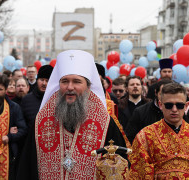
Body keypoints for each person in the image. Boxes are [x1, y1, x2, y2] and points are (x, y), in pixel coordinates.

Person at [35, 50, 127, 179]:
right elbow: (28, 166)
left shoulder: (105, 122)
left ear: (88, 87)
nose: (70, 87)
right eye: (65, 81)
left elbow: (118, 168)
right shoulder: (41, 120)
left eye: (77, 82)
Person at [129, 83, 189, 179]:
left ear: (186, 106)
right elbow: (140, 174)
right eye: (169, 105)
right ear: (160, 105)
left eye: (179, 105)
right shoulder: (145, 136)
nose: (174, 109)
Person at [125, 79, 173, 143]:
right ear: (156, 93)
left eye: (171, 94)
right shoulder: (140, 112)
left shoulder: (178, 111)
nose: (167, 97)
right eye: (163, 94)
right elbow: (131, 137)